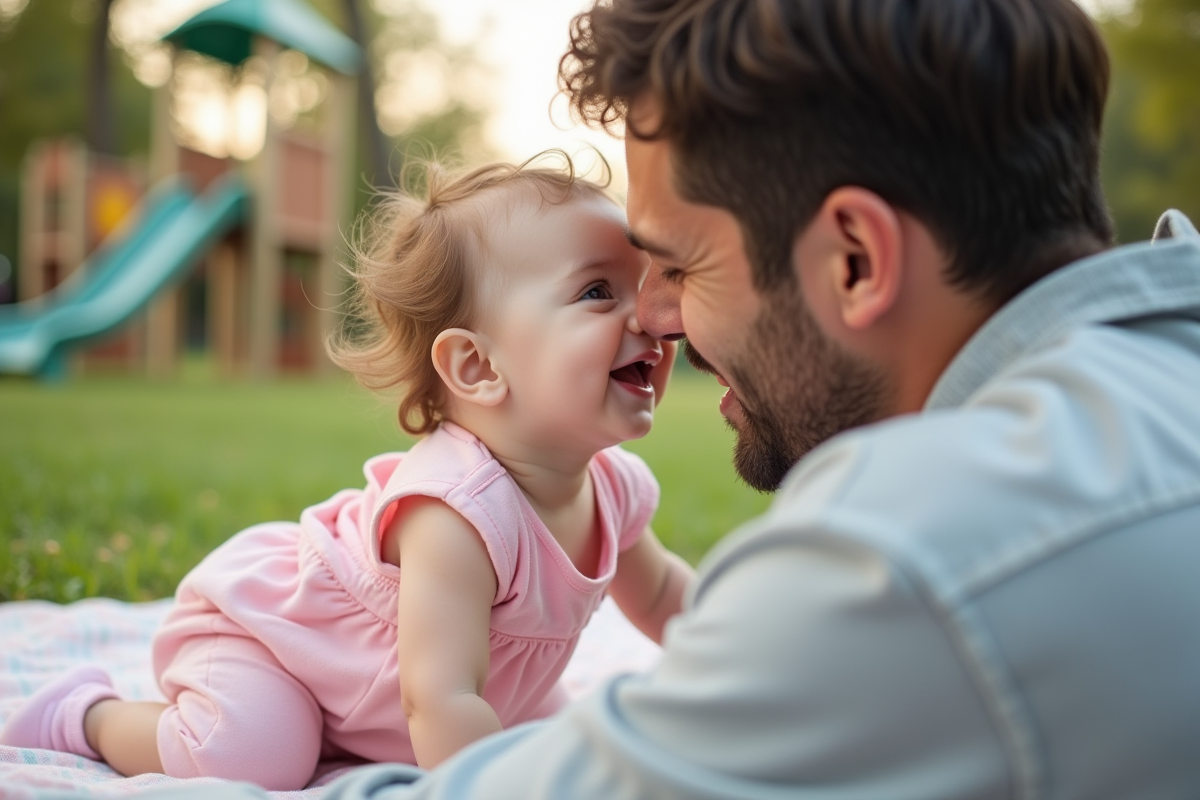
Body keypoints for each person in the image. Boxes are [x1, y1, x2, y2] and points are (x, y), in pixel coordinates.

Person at [38, 0, 1200, 797]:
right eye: (625, 283)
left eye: (679, 268)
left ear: (853, 257)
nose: (661, 320)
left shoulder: (906, 564)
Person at [0, 157, 693, 791]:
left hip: (431, 693)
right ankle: (85, 716)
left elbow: (663, 594)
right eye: (599, 291)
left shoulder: (612, 485)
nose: (650, 317)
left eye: (645, 285)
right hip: (276, 644)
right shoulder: (456, 514)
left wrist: (753, 659)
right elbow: (441, 697)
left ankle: (364, 737)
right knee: (253, 757)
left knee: (571, 740)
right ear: (479, 368)